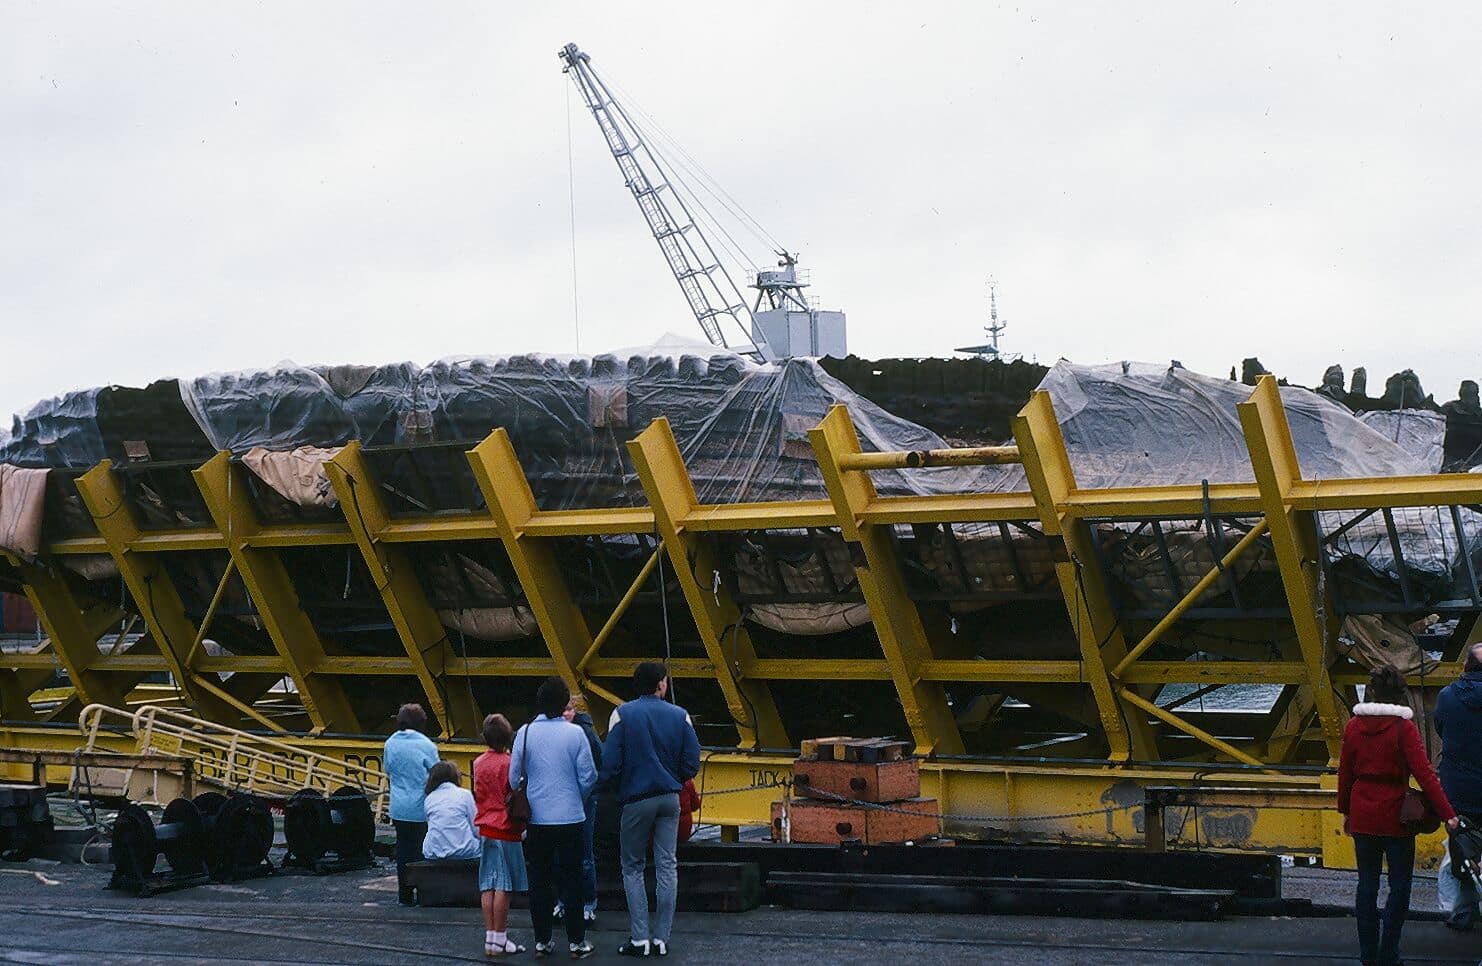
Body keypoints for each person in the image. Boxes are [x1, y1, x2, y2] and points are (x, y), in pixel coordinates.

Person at [1338, 664, 1457, 966]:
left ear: (1372, 691)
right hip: (1396, 816)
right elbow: (1426, 776)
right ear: (1400, 695)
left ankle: (1368, 956)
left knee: (1366, 886)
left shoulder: (1353, 726)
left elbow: (1345, 775)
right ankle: (1388, 953)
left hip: (1363, 813)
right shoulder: (1404, 728)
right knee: (1400, 887)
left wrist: (1346, 811)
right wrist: (1448, 815)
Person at [600, 661, 701, 958]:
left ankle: (640, 938)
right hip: (670, 798)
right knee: (667, 865)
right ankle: (661, 938)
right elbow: (692, 761)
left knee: (632, 867)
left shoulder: (622, 715)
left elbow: (610, 764)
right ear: (660, 684)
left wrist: (615, 787)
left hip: (636, 799)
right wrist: (676, 778)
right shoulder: (680, 715)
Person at [511, 677, 597, 959]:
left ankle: (542, 941)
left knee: (539, 880)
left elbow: (514, 778)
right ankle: (576, 942)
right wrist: (577, 796)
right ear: (563, 704)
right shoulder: (575, 734)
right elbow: (589, 776)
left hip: (537, 819)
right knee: (571, 880)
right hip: (571, 816)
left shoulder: (524, 733)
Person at [1435, 641, 1482, 930]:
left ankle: (1463, 912)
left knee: (1462, 850)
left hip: (1458, 790)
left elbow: (1440, 727)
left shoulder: (1447, 696)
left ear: (1465, 666)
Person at [474, 713, 528, 957]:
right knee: (504, 887)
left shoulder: (477, 763)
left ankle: (490, 937)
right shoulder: (509, 763)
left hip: (485, 827)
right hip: (507, 829)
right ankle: (500, 937)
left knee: (488, 884)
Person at [554, 692, 603, 926]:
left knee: (584, 855)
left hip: (580, 801)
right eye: (562, 710)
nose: (566, 714)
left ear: (575, 710)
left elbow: (596, 767)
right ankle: (565, 902)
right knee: (564, 855)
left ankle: (588, 903)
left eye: (568, 710)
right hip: (572, 800)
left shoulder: (586, 734)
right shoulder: (582, 732)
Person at [384, 703, 439, 905]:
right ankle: (423, 894)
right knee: (422, 851)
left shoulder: (390, 743)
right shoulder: (427, 745)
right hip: (421, 807)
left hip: (399, 807)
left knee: (403, 852)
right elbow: (436, 774)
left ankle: (404, 895)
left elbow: (388, 770)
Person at [421, 761, 480, 861]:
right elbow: (475, 826)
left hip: (434, 852)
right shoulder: (465, 795)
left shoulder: (429, 798)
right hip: (465, 851)